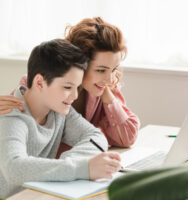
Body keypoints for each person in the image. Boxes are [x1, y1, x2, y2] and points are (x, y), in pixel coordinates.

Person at [0, 39, 121, 198]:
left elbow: (96, 137)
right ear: (40, 83)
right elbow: (14, 169)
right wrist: (83, 168)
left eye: (77, 87)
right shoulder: (12, 115)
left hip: (39, 194)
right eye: (67, 87)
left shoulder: (58, 111)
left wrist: (68, 165)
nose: (75, 95)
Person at [0, 17, 140, 151]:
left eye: (114, 69)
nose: (109, 79)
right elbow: (27, 145)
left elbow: (128, 137)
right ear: (80, 64)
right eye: (101, 70)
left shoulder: (104, 87)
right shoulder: (40, 85)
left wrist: (108, 97)